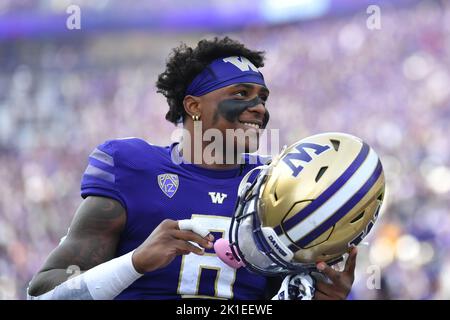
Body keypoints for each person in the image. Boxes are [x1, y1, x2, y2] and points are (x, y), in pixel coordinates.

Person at [27, 37, 356, 300]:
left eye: (262, 97)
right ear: (194, 106)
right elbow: (44, 294)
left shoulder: (276, 186)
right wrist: (135, 263)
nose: (258, 108)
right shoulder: (132, 166)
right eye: (241, 94)